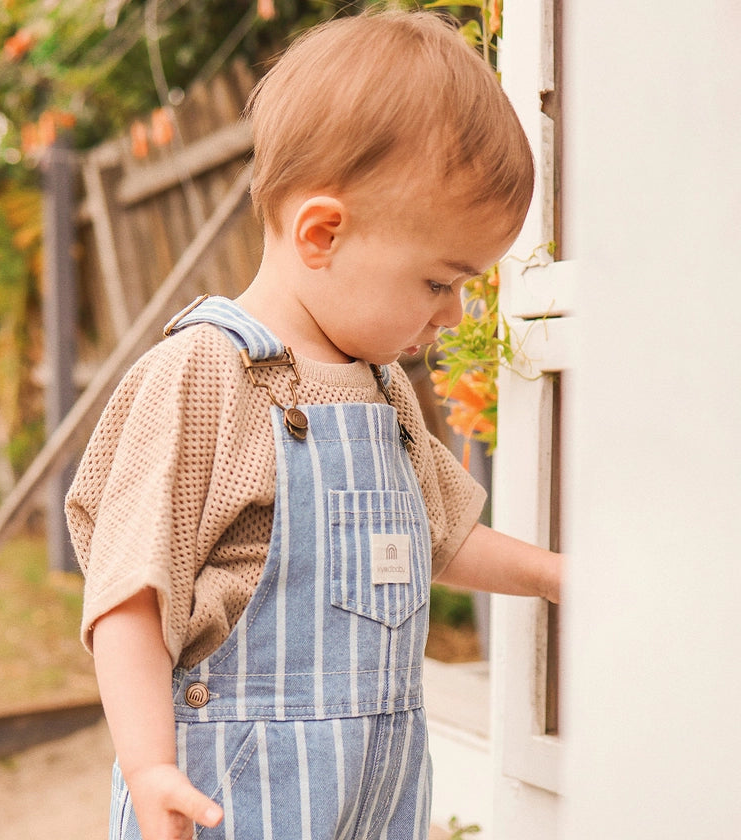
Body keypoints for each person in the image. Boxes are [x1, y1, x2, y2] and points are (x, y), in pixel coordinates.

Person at [65, 9, 562, 840]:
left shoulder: (379, 389)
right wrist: (150, 769)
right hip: (235, 799)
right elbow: (131, 595)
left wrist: (557, 575)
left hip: (376, 793)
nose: (454, 313)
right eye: (441, 282)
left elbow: (443, 533)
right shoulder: (205, 377)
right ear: (323, 233)